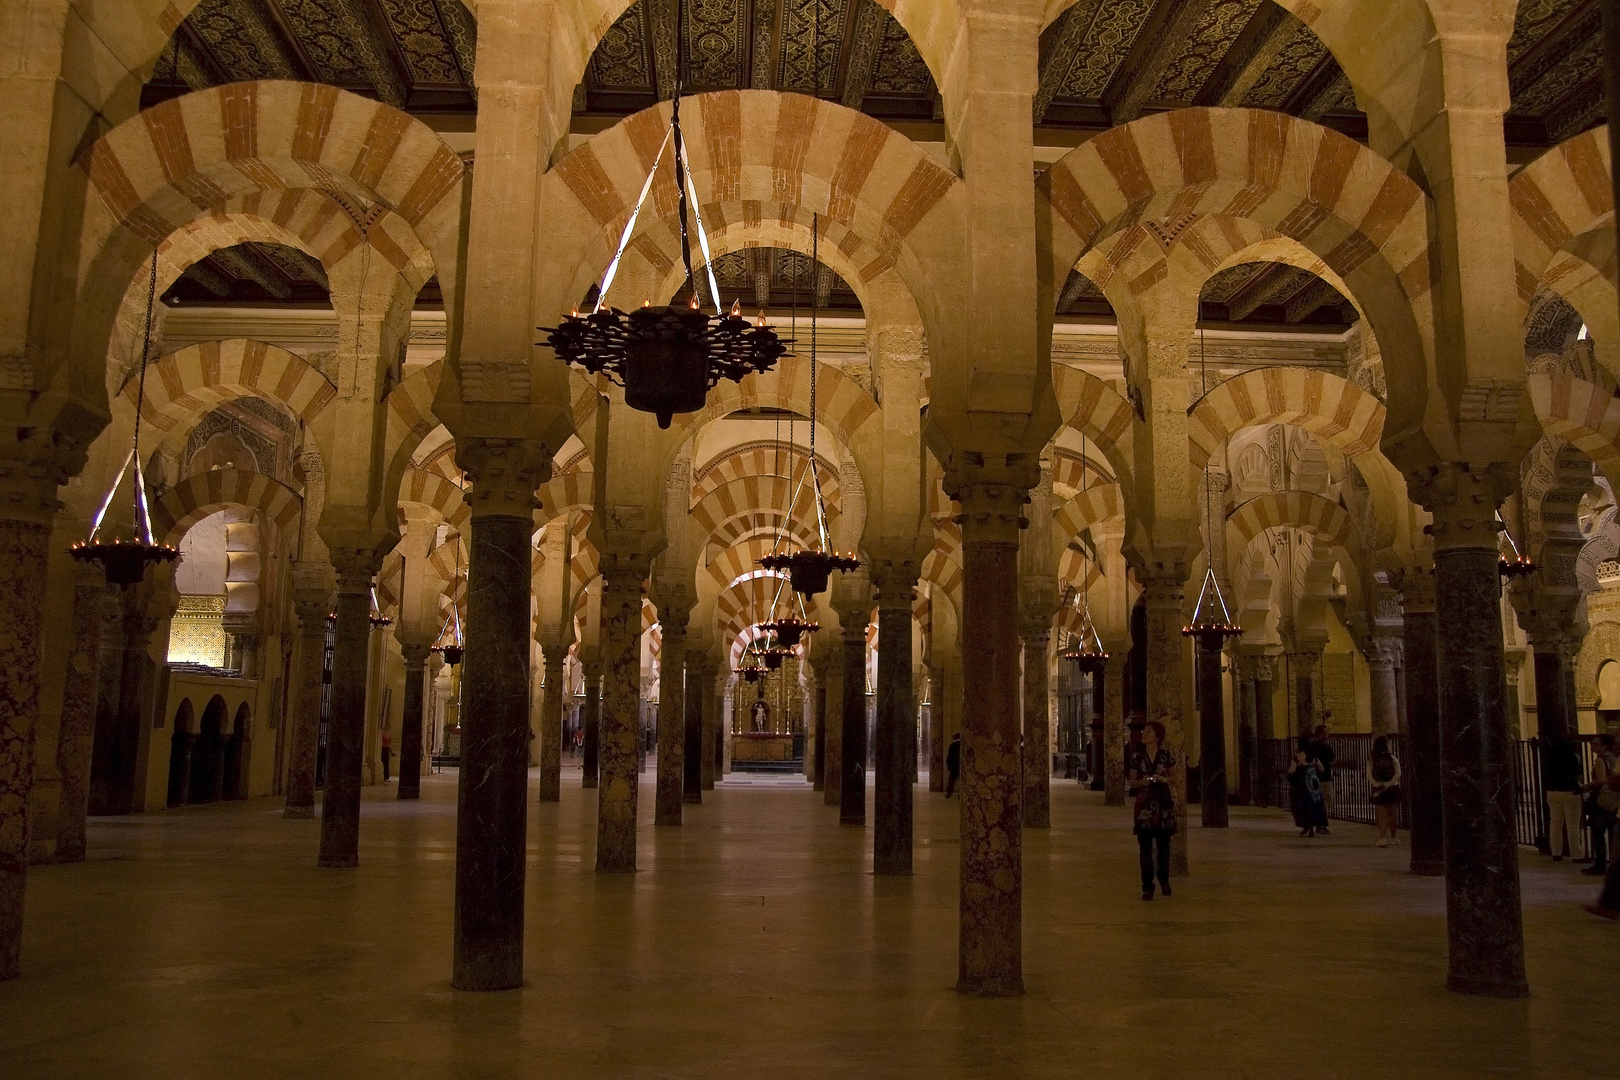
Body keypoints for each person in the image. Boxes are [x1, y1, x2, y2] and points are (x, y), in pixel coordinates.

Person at [1127, 720, 1175, 901]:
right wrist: (1142, 782)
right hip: (1145, 804)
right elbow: (1132, 781)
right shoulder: (1137, 757)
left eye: (1148, 732)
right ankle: (1147, 886)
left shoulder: (1165, 756)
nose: (1144, 735)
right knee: (1145, 847)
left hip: (1162, 803)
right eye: (1144, 732)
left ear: (1157, 736)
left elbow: (1174, 779)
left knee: (1164, 847)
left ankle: (1164, 879)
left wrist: (1162, 779)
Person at [1541, 733, 1583, 862]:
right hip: (1570, 792)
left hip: (1552, 792)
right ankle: (1576, 854)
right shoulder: (1573, 757)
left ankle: (1556, 853)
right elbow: (1579, 776)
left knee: (1555, 823)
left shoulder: (1550, 759)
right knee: (1572, 825)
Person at [1581, 734, 1618, 876]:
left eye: (1596, 744)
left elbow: (1601, 779)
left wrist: (1586, 786)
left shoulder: (1600, 760)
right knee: (1610, 831)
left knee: (1598, 832)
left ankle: (1600, 864)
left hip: (1601, 799)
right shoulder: (1612, 759)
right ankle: (1611, 862)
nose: (1592, 745)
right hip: (1612, 799)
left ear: (1604, 746)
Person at [1367, 735, 1402, 847]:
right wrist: (1389, 783)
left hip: (1379, 787)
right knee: (1393, 812)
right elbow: (1398, 773)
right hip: (1393, 786)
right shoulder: (1392, 757)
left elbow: (1369, 773)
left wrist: (1377, 784)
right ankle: (1394, 837)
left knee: (1382, 814)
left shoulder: (1372, 758)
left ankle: (1382, 838)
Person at [1287, 742, 1328, 837]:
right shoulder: (1315, 759)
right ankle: (1313, 826)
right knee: (1315, 807)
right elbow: (1321, 770)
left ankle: (1306, 826)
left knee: (1303, 807)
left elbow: (1291, 771)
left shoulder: (1296, 760)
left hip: (1302, 787)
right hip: (1314, 788)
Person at [1307, 725, 1336, 829]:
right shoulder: (1326, 747)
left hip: (1313, 777)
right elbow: (1332, 761)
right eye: (1326, 732)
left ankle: (1316, 822)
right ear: (1321, 734)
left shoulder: (1310, 747)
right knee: (1326, 800)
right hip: (1325, 777)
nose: (1328, 734)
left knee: (1316, 800)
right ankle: (1321, 824)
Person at [945, 732, 961, 798]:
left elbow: (950, 756)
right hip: (960, 764)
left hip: (954, 765)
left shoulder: (953, 744)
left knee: (952, 780)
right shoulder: (962, 744)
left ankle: (949, 793)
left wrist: (948, 764)